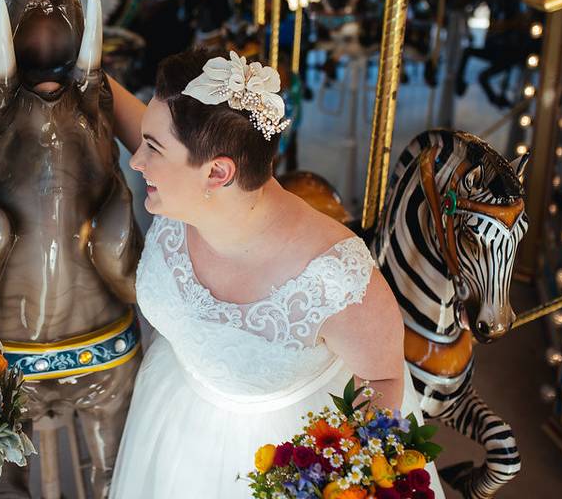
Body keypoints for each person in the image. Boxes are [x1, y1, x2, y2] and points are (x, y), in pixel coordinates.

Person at [107, 49, 444, 497]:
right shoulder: (184, 188)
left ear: (218, 172)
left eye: (152, 149)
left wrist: (340, 478)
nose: (137, 161)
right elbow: (115, 105)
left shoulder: (337, 280)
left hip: (278, 459)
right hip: (174, 418)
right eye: (145, 142)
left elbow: (382, 379)